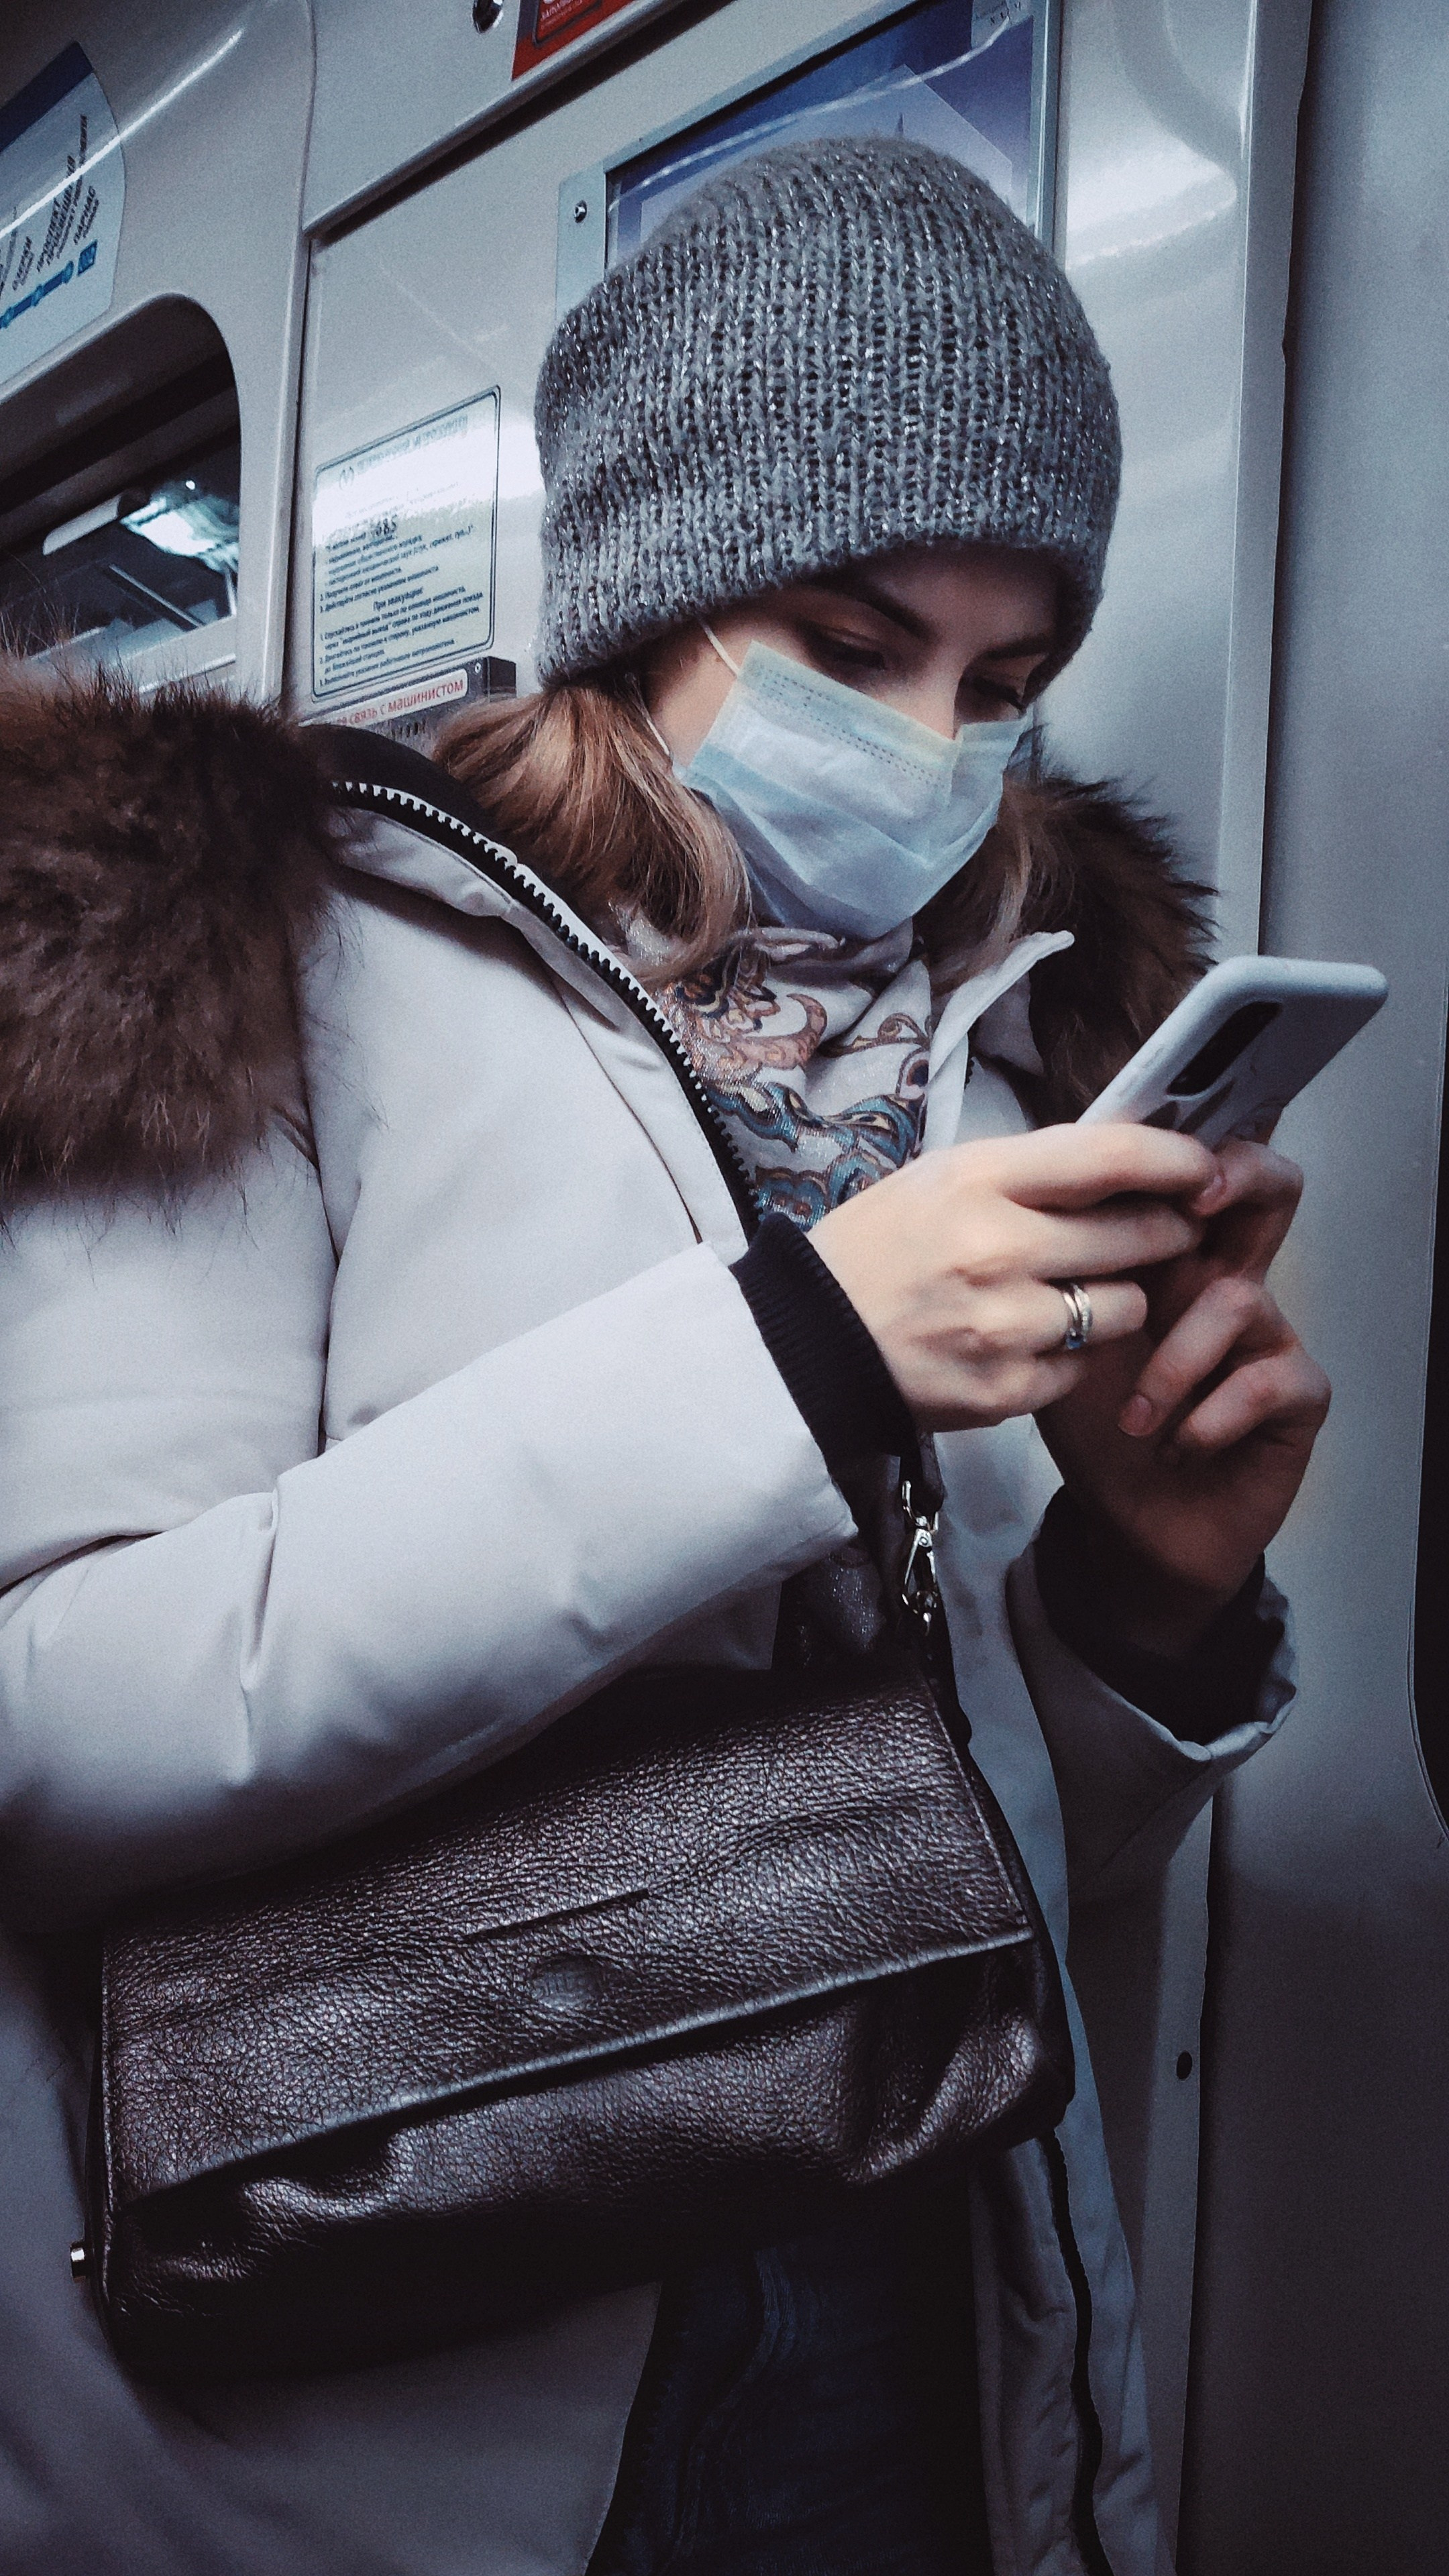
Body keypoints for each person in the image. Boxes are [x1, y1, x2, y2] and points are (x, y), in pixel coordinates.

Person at [0, 138, 1326, 2575]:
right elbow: (57, 1727)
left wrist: (1142, 1597)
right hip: (397, 2350)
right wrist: (805, 1360)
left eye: (1003, 686)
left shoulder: (998, 1057)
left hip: (910, 2261)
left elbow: (939, 1847)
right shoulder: (261, 958)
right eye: (848, 646)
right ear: (648, 600)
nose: (934, 751)